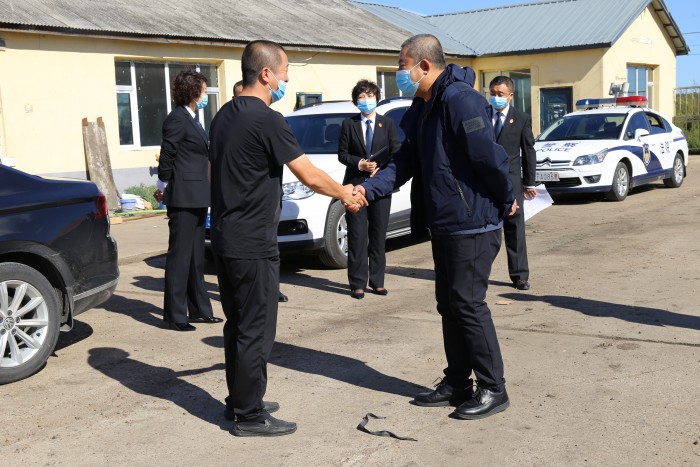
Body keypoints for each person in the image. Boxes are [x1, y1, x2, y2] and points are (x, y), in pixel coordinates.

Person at [354, 34, 517, 420]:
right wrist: (366, 190)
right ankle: (458, 381)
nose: (399, 74)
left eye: (401, 65)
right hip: (444, 223)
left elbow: (488, 157)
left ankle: (493, 388)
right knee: (450, 305)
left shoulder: (461, 100)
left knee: (468, 304)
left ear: (423, 65)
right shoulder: (423, 105)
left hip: (471, 222)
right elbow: (404, 161)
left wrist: (506, 197)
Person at [209, 40, 366, 437]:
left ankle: (240, 400)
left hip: (227, 237)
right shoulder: (267, 119)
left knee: (237, 324)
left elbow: (215, 173)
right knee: (256, 329)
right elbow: (308, 174)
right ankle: (249, 416)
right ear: (266, 74)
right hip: (253, 242)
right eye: (285, 72)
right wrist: (346, 193)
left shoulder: (223, 115)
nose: (287, 79)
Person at [157, 69, 221, 332]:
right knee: (180, 257)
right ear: (193, 92)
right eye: (203, 91)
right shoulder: (176, 119)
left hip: (198, 194)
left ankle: (200, 310)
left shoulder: (192, 118)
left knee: (196, 257)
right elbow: (168, 154)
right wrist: (162, 185)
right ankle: (175, 315)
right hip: (183, 196)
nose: (205, 95)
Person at [338, 80, 401, 299]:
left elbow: (396, 152)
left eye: (370, 96)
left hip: (380, 186)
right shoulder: (349, 124)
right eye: (362, 97)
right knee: (356, 235)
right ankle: (357, 283)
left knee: (378, 234)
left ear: (377, 98)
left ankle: (377, 281)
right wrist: (359, 164)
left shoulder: (387, 123)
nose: (366, 101)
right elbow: (342, 154)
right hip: (355, 186)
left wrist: (380, 169)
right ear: (356, 101)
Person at [233, 79, 290, 304]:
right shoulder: (230, 121)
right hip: (246, 209)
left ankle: (272, 288)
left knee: (270, 248)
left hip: (266, 202)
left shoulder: (271, 120)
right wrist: (344, 193)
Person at [489, 76, 537, 291]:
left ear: (510, 96)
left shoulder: (521, 119)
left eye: (500, 94)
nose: (495, 97)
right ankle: (480, 273)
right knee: (487, 231)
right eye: (492, 93)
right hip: (486, 182)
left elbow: (528, 152)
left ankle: (519, 275)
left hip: (512, 182)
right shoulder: (482, 115)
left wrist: (529, 182)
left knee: (515, 229)